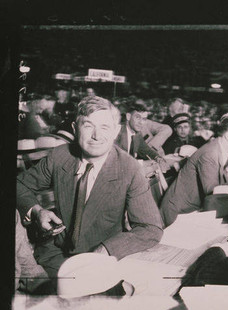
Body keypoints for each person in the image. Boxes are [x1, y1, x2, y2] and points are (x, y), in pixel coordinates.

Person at [16, 95, 163, 284]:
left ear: (116, 131)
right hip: (55, 255)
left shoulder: (129, 168)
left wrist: (106, 250)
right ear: (75, 129)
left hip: (102, 260)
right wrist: (37, 211)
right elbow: (18, 184)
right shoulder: (59, 156)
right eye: (88, 126)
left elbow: (150, 228)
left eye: (104, 127)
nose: (96, 135)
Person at [160, 112, 228, 227]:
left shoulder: (224, 150)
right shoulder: (210, 153)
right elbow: (213, 195)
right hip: (179, 213)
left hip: (195, 209)